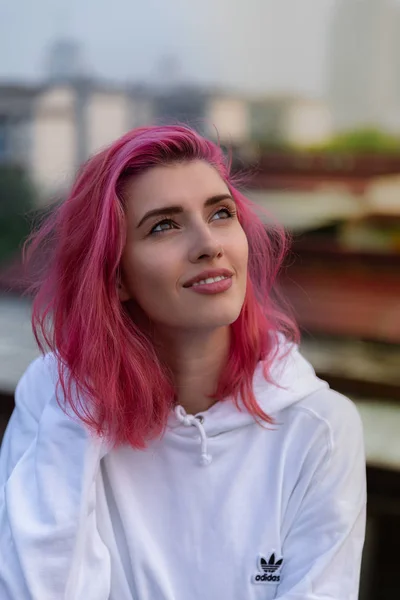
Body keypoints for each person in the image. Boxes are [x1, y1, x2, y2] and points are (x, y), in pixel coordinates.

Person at [0, 125, 366, 599]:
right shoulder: (55, 397)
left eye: (220, 213)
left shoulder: (320, 426)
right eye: (163, 225)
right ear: (115, 277)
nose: (208, 243)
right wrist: (83, 405)